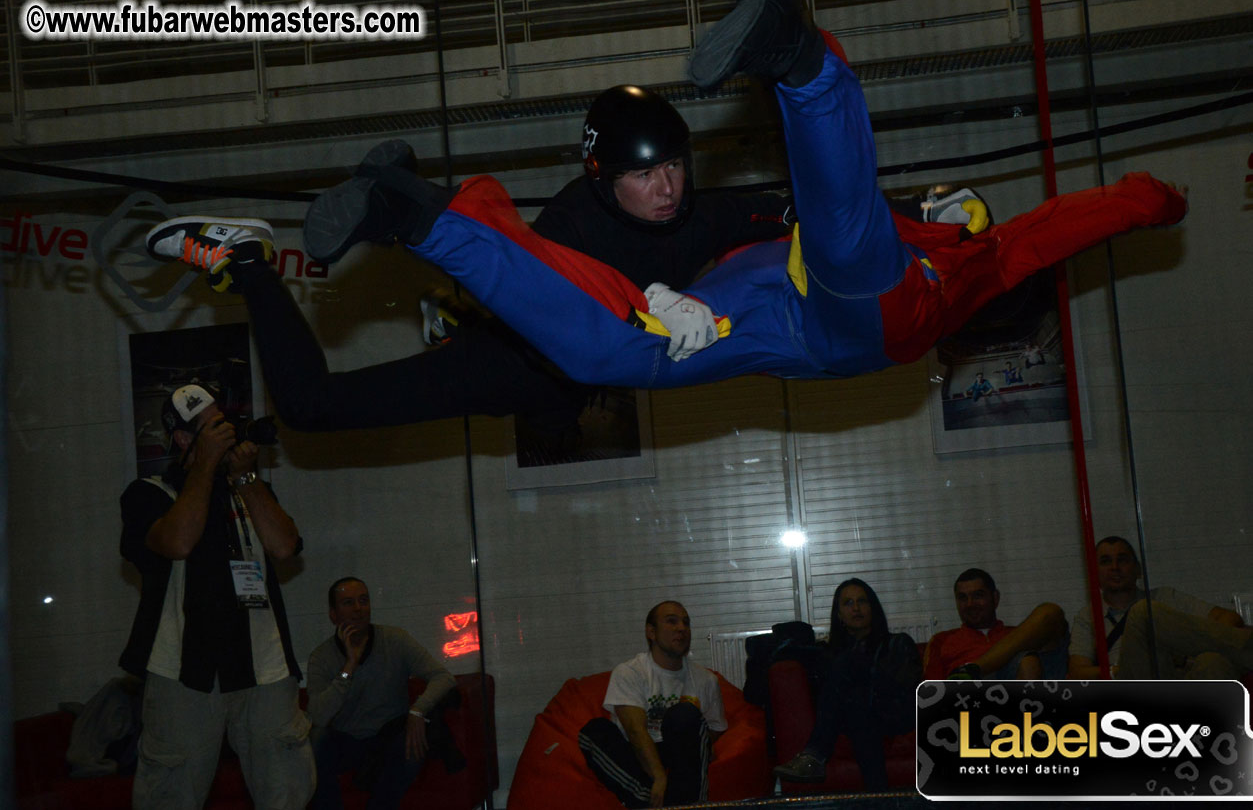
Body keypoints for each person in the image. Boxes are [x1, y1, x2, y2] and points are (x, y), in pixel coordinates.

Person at [249, 0, 1185, 393]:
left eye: (672, 173)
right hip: (789, 313)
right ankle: (799, 63)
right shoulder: (983, 255)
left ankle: (415, 215)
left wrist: (677, 304)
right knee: (836, 241)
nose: (961, 217)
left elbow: (1050, 226)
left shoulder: (958, 262)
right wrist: (1149, 201)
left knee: (620, 353)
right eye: (951, 211)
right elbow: (1067, 222)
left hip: (822, 323)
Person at [140, 85, 792, 438]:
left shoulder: (704, 211)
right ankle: (251, 261)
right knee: (311, 408)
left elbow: (801, 216)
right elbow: (545, 307)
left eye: (675, 167)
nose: (667, 189)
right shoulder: (571, 221)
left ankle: (403, 190)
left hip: (564, 388)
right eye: (644, 175)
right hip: (504, 360)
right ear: (602, 177)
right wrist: (654, 304)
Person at [118, 384, 313, 810]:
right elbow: (178, 542)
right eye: (212, 431)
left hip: (264, 665)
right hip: (181, 672)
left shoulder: (248, 491)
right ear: (185, 440)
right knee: (171, 793)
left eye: (227, 427)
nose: (227, 438)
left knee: (287, 789)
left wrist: (246, 477)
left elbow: (283, 546)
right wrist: (205, 466)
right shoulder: (149, 494)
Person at [306, 576, 459, 810]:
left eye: (363, 601)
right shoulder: (321, 657)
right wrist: (349, 667)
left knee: (414, 745)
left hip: (388, 736)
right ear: (333, 615)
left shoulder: (394, 640)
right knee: (315, 741)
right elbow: (317, 717)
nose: (358, 609)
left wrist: (418, 710)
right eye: (348, 603)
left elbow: (443, 676)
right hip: (346, 740)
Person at [772, 578, 921, 789]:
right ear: (839, 614)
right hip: (858, 717)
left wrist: (862, 670)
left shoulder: (898, 642)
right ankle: (878, 800)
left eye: (862, 601)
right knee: (857, 711)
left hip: (896, 712)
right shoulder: (830, 653)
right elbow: (781, 654)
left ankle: (815, 755)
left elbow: (906, 689)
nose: (856, 608)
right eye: (848, 603)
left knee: (850, 673)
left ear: (873, 608)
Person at [577, 601, 727, 808]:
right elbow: (635, 731)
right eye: (671, 622)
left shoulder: (706, 680)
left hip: (677, 754)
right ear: (651, 632)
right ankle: (653, 798)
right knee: (593, 732)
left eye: (686, 623)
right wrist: (659, 777)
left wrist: (694, 747)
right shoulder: (629, 672)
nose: (682, 628)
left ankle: (686, 802)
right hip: (639, 753)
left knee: (685, 714)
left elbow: (715, 728)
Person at [1068, 536, 1252, 680]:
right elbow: (1077, 673)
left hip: (1177, 679)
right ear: (1095, 573)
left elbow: (1230, 619)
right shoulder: (1088, 616)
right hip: (1131, 684)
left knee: (1213, 662)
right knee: (1142, 612)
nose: (1115, 567)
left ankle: (1202, 725)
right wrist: (1118, 669)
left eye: (1122, 560)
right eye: (1106, 561)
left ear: (1138, 569)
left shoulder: (1164, 597)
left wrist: (1181, 653)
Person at [923, 568, 1069, 680]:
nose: (970, 604)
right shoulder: (941, 641)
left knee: (1048, 615)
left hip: (1021, 687)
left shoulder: (1021, 635)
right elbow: (930, 695)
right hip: (970, 701)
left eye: (978, 595)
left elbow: (1051, 617)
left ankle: (972, 670)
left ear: (995, 598)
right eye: (962, 598)